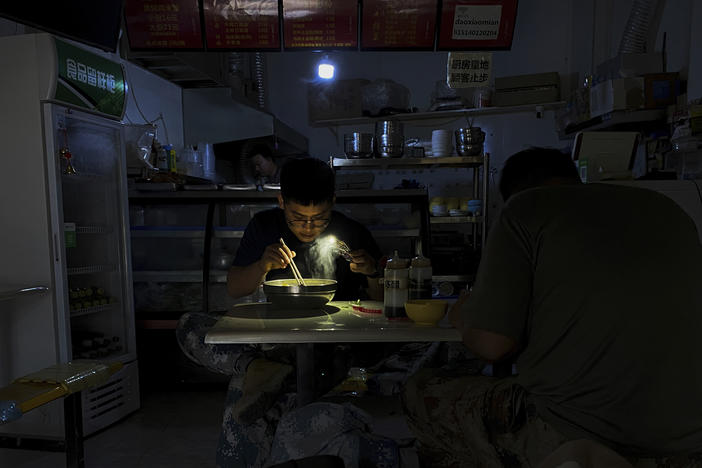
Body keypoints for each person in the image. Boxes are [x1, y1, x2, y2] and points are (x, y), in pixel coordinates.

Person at [402, 147, 702, 467]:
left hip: (579, 430)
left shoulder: (525, 207)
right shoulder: (666, 208)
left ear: (511, 193)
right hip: (687, 439)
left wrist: (462, 319)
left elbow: (492, 345)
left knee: (420, 392)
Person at [176, 157, 384, 468]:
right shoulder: (264, 228)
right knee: (190, 325)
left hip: (330, 349)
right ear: (281, 201)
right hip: (271, 342)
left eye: (320, 218)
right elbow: (235, 288)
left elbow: (383, 306)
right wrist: (262, 265)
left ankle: (256, 372)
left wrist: (371, 273)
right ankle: (255, 366)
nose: (309, 227)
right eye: (298, 218)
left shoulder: (352, 234)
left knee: (245, 393)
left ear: (334, 203)